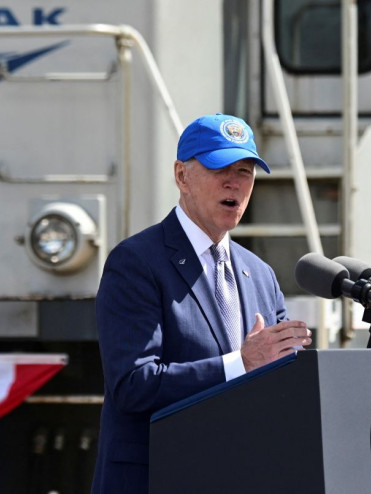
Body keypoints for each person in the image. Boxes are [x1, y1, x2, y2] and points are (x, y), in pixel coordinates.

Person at [90, 113, 312, 494]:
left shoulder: (260, 274)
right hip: (157, 477)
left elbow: (279, 388)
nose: (234, 182)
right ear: (182, 176)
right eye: (218, 167)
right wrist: (240, 363)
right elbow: (132, 385)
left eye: (245, 171)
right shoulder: (136, 262)